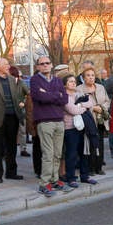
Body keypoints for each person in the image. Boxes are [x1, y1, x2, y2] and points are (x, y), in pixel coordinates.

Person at [30, 56, 72, 197]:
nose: (45, 65)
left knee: (57, 154)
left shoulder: (58, 80)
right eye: (42, 64)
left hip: (59, 120)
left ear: (51, 65)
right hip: (45, 121)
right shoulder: (35, 80)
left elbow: (64, 99)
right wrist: (56, 95)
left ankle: (55, 180)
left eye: (48, 63)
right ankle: (44, 183)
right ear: (38, 67)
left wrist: (48, 94)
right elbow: (39, 97)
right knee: (48, 154)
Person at [60, 74, 93, 188]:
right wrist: (83, 108)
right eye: (70, 82)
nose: (73, 83)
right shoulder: (64, 96)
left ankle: (85, 176)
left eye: (74, 81)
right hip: (70, 128)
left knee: (83, 152)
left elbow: (90, 102)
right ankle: (71, 178)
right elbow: (72, 110)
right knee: (71, 154)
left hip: (82, 127)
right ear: (65, 85)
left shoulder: (78, 94)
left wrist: (80, 104)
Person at [76, 67, 110, 177]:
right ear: (83, 78)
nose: (91, 77)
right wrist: (93, 108)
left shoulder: (100, 87)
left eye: (92, 75)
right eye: (88, 75)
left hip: (100, 119)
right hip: (88, 120)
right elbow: (79, 104)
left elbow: (107, 101)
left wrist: (101, 108)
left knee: (99, 143)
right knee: (89, 144)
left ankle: (98, 167)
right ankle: (90, 168)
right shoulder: (79, 89)